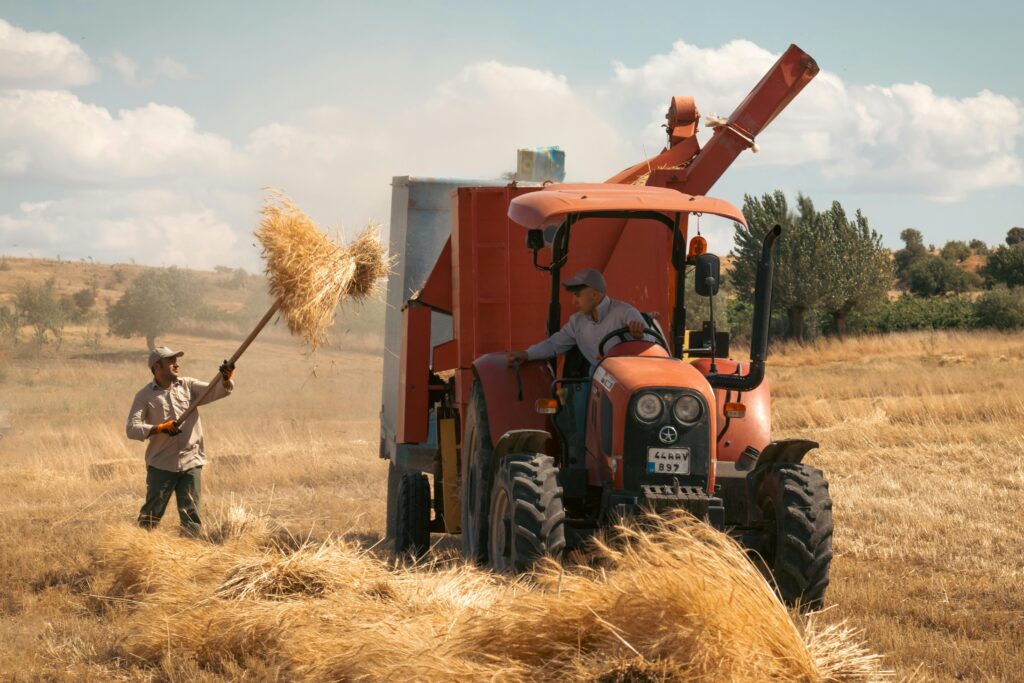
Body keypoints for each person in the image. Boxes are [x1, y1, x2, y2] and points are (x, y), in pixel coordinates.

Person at [126, 346, 235, 534]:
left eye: (176, 360)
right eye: (171, 361)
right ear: (156, 367)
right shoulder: (144, 396)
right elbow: (131, 429)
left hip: (191, 461)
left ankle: (190, 553)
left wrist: (226, 378)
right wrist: (159, 428)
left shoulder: (188, 385)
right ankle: (139, 550)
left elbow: (216, 390)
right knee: (151, 515)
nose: (176, 364)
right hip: (162, 464)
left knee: (191, 515)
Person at [507, 268, 647, 370]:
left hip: (627, 377)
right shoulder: (577, 322)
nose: (574, 301)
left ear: (595, 294)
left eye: (577, 295)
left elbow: (651, 346)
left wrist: (640, 336)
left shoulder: (625, 313)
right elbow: (554, 344)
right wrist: (527, 354)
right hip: (596, 380)